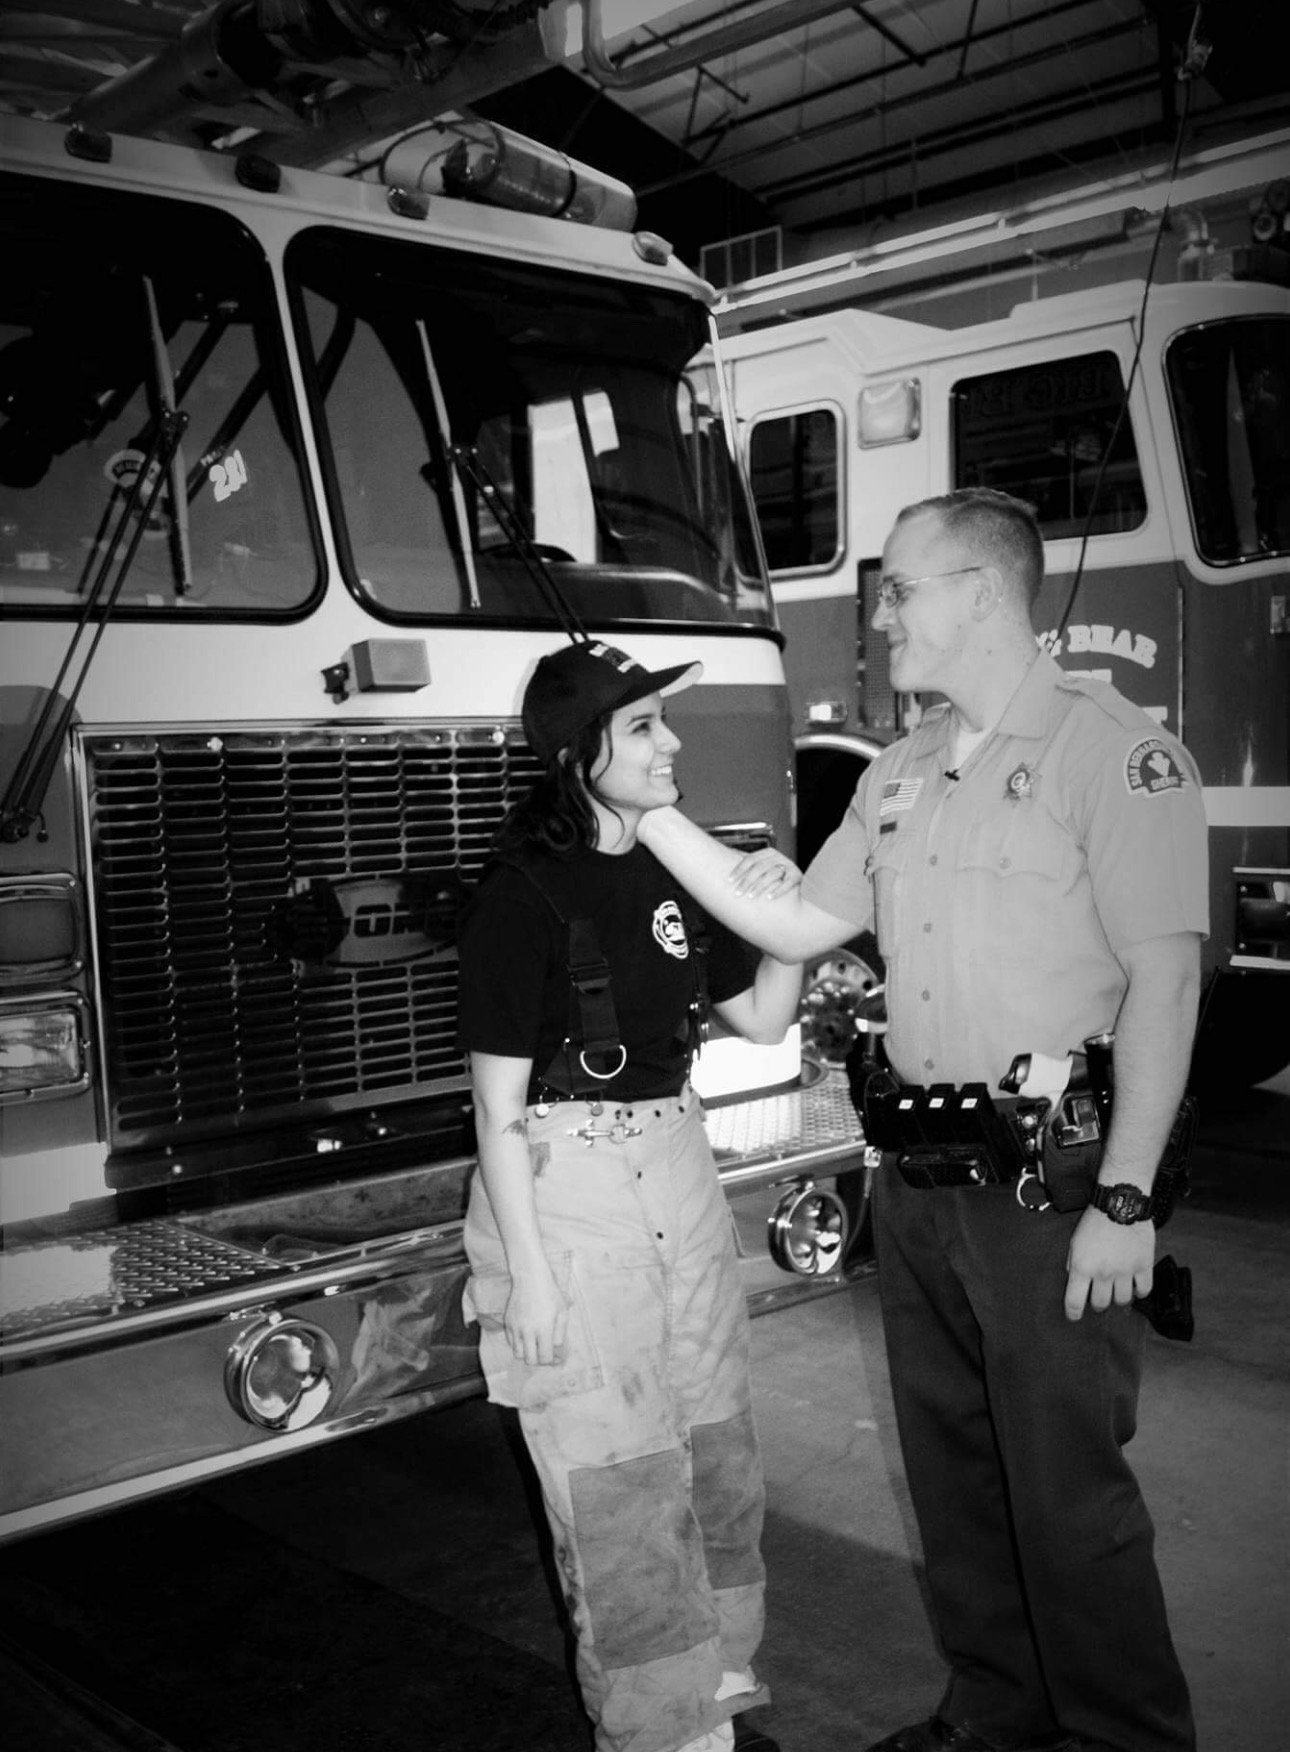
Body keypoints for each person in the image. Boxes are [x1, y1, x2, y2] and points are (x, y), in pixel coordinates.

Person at [635, 489, 1207, 1752]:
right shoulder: (898, 771)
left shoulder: (1114, 754)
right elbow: (793, 922)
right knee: (953, 1477)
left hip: (1050, 1195)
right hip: (918, 1182)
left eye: (898, 587)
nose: (879, 613)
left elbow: (1167, 984)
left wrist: (1126, 1200)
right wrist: (640, 807)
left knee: (1069, 1499)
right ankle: (996, 1715)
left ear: (983, 594)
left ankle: (1127, 1737)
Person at [456, 638, 800, 1752]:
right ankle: (658, 1728)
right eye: (644, 725)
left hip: (680, 1168)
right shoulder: (519, 895)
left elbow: (763, 1020)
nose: (672, 743)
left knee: (717, 1449)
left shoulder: (676, 874)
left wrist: (782, 916)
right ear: (577, 755)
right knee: (617, 1484)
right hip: (572, 1189)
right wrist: (531, 1281)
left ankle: (721, 1678)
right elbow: (498, 1113)